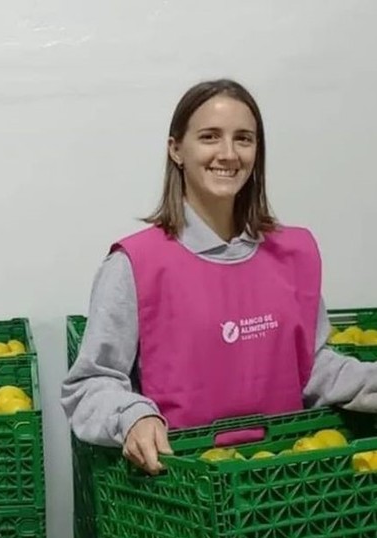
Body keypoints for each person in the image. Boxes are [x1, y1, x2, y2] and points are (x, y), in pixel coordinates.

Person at [62, 78, 377, 476]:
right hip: (182, 497)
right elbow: (90, 383)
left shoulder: (294, 255)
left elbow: (312, 369)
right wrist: (134, 416)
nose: (228, 154)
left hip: (286, 491)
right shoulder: (134, 265)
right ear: (176, 149)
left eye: (243, 139)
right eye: (210, 137)